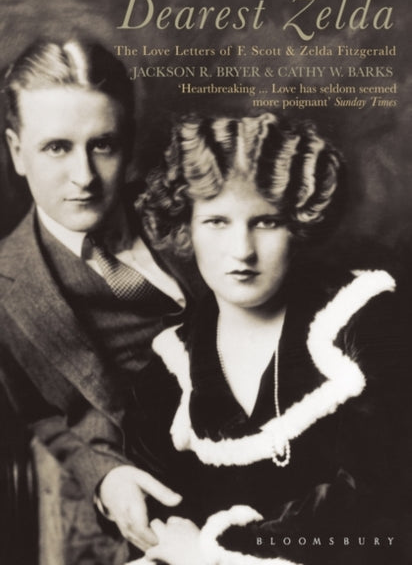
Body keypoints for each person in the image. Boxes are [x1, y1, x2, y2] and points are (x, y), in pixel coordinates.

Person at [127, 112, 412, 565]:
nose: (242, 251)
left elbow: (380, 503)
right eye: (217, 221)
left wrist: (211, 554)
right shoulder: (171, 368)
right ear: (186, 227)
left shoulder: (362, 323)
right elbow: (161, 521)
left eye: (265, 222)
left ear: (296, 224)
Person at [0, 37, 204, 558]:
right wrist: (106, 478)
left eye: (102, 145)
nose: (84, 177)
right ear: (17, 152)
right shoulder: (6, 290)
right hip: (165, 496)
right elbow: (45, 417)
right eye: (56, 148)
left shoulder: (189, 207)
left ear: (127, 143)